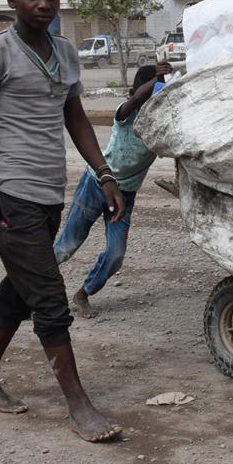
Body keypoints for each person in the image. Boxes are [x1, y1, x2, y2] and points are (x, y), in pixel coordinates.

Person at [0, 0, 125, 443]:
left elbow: (75, 118)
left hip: (49, 195)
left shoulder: (66, 52)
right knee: (49, 300)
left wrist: (104, 173)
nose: (43, 3)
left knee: (20, 288)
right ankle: (79, 405)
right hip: (12, 195)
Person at [53, 61, 171, 318]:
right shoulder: (126, 114)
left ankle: (82, 294)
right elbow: (139, 97)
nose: (156, 95)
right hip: (97, 184)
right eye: (153, 89)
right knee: (67, 245)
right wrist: (158, 80)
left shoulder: (159, 125)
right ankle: (29, 293)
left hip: (124, 195)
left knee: (116, 255)